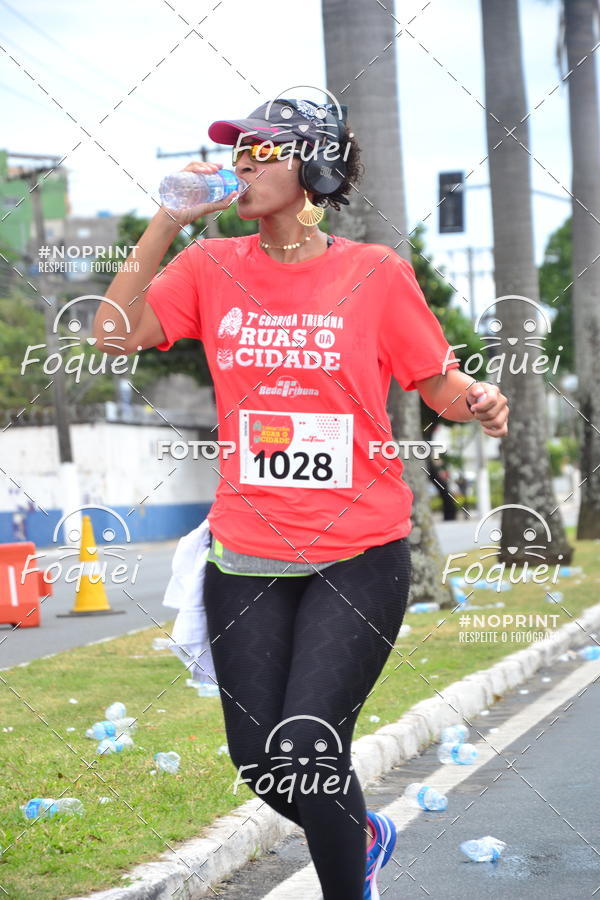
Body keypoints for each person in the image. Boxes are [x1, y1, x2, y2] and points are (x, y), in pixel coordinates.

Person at [93, 97, 509, 900]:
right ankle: (366, 832)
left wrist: (479, 400)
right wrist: (163, 223)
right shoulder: (209, 268)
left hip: (359, 550)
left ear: (311, 165)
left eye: (260, 150)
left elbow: (437, 382)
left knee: (308, 750)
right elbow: (113, 334)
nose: (241, 164)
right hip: (245, 550)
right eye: (235, 151)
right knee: (261, 767)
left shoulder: (375, 273)